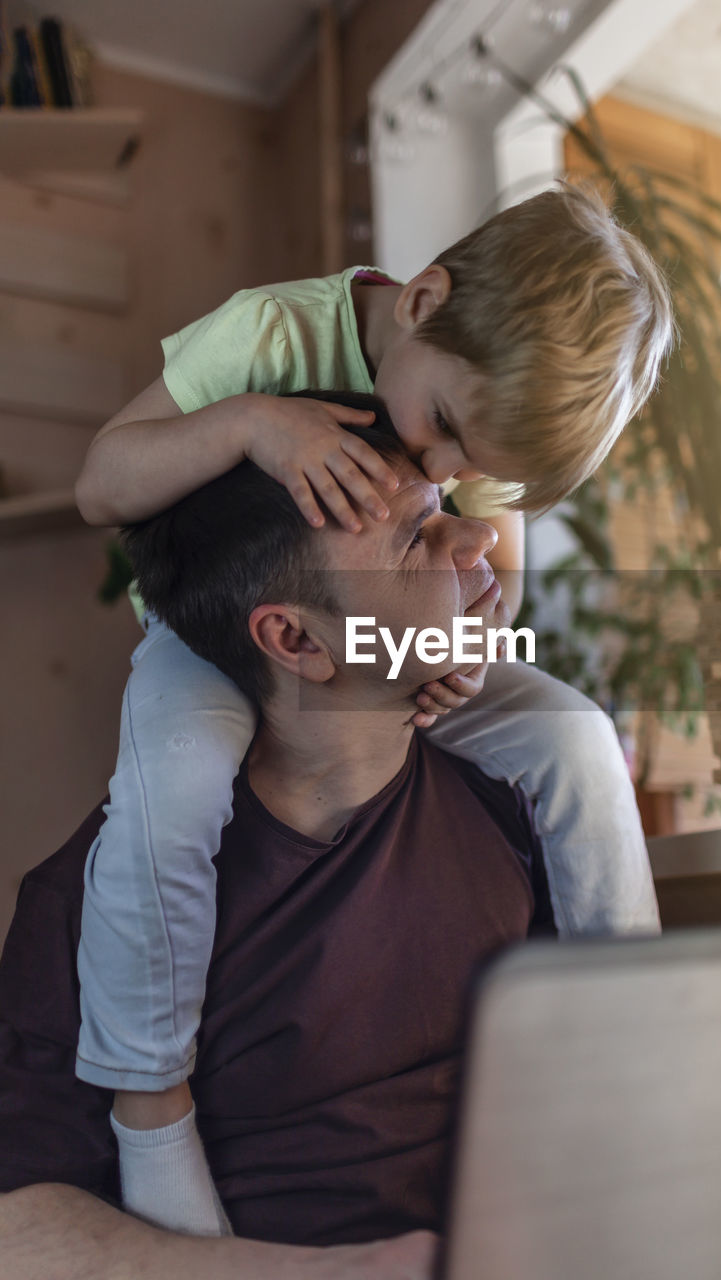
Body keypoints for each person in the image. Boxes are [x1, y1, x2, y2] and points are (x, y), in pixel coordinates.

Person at [73, 184, 672, 1234]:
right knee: (166, 794)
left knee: (574, 735)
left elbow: (497, 571)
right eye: (440, 432)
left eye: (471, 472)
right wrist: (251, 424)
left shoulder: (475, 418)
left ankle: (626, 1037)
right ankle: (149, 1110)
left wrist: (470, 645)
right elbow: (102, 485)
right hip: (213, 640)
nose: (442, 476)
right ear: (422, 298)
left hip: (390, 632)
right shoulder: (266, 333)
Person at [0, 409, 557, 1278]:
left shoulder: (513, 817)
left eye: (444, 502)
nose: (478, 532)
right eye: (417, 538)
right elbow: (17, 1227)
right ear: (296, 638)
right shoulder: (101, 902)